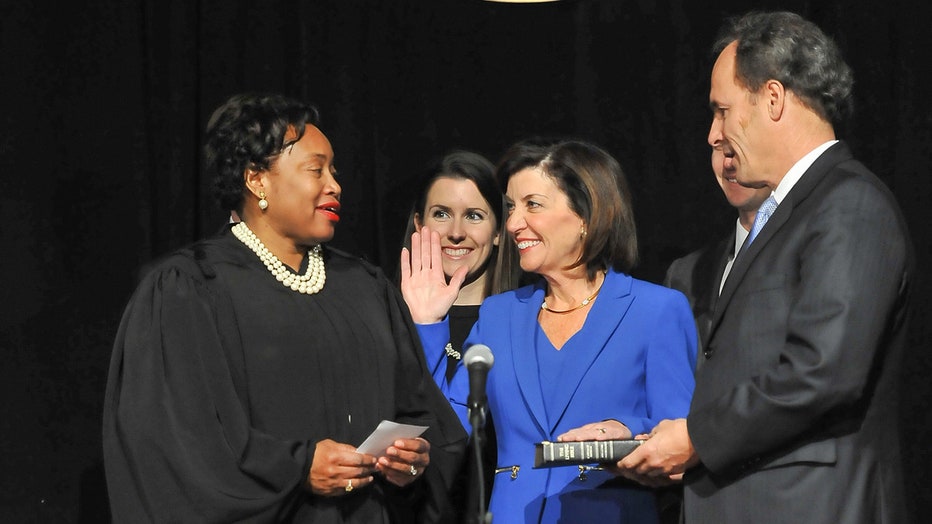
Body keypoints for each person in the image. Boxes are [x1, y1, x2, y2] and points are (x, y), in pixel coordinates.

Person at [102, 93, 467, 523]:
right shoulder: (191, 290)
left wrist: (412, 462)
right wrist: (297, 468)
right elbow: (177, 444)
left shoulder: (365, 288)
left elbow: (422, 415)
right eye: (316, 170)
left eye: (334, 170)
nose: (334, 184)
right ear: (257, 180)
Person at [615, 11, 915, 524]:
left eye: (722, 110)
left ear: (772, 98)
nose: (714, 133)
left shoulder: (849, 204)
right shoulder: (782, 218)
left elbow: (823, 371)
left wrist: (696, 438)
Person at [415, 138, 698, 523]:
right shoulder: (499, 315)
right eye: (511, 208)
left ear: (585, 215)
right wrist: (429, 324)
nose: (514, 224)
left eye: (532, 205)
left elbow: (681, 439)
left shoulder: (656, 310)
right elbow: (447, 430)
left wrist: (623, 430)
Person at [398, 150, 521, 522]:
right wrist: (425, 323)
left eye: (474, 216)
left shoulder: (526, 318)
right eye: (441, 214)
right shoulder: (384, 316)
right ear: (419, 224)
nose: (455, 232)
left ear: (499, 231)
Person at [664, 145, 771, 352]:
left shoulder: (811, 256)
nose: (728, 163)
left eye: (739, 147)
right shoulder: (683, 275)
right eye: (721, 148)